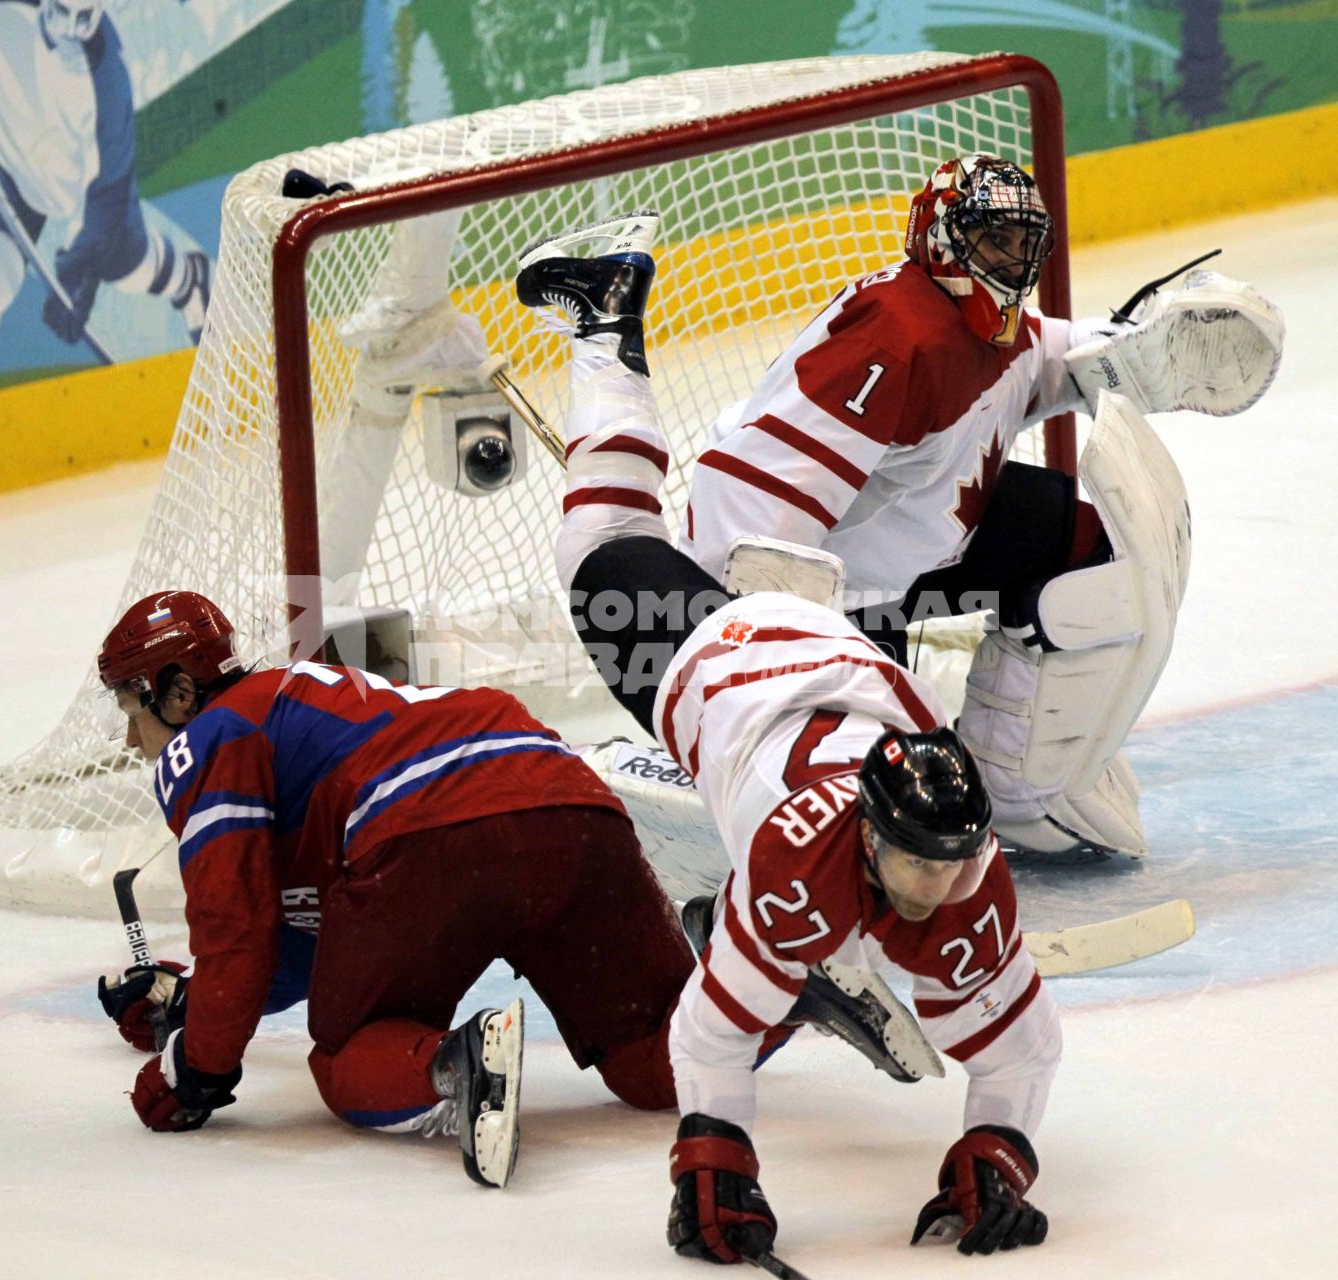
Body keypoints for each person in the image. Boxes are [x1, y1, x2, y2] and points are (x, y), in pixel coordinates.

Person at [515, 212, 1063, 1262]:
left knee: (622, 543)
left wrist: (1000, 1145)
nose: (931, 882)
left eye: (946, 863)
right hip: (725, 660)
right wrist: (712, 1155)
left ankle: (604, 326)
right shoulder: (794, 859)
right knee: (604, 542)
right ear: (862, 832)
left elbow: (1025, 1046)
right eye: (912, 860)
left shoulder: (963, 869)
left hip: (844, 646)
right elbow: (709, 1029)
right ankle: (601, 318)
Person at [93, 590, 887, 1186]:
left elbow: (239, 933)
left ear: (177, 690)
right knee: (655, 1064)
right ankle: (785, 985)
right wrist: (188, 1007)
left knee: (343, 1059)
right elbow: (300, 952)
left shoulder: (208, 738)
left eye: (134, 705)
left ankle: (457, 1065)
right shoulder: (306, 707)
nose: (134, 739)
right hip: (573, 809)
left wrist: (190, 1071)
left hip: (433, 833)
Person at [666, 154, 1281, 859]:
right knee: (881, 805)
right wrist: (766, 645)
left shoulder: (990, 323)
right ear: (941, 238)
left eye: (1026, 242)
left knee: (1082, 541)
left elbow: (1045, 357)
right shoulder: (894, 336)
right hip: (844, 593)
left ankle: (1014, 773)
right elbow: (750, 493)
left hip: (921, 551)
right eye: (996, 239)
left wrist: (1137, 352)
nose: (1015, 260)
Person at [0, 0, 209, 396]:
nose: (68, 29)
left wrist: (83, 269)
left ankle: (189, 279)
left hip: (85, 197)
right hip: (16, 174)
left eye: (83, 19)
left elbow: (109, 192)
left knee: (128, 270)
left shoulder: (107, 75)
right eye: (61, 13)